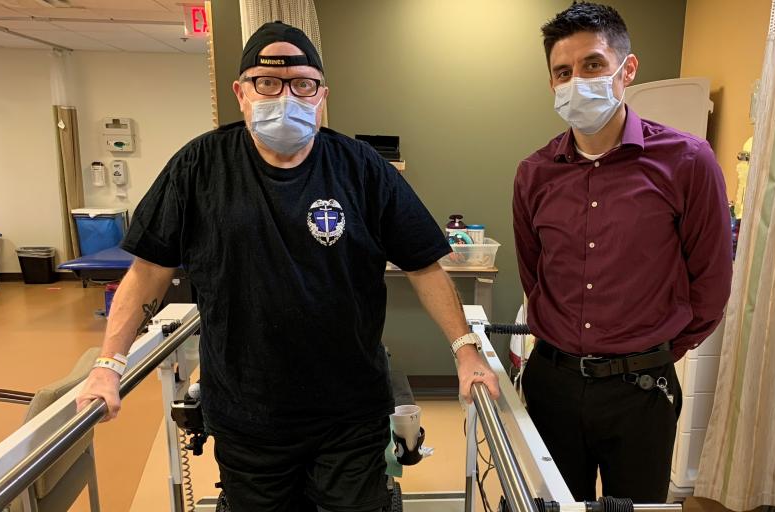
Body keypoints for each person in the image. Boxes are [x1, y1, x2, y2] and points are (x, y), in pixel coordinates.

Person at [75, 21, 499, 512]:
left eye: (302, 84)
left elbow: (425, 267)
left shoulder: (361, 167)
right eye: (267, 83)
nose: (285, 96)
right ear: (240, 92)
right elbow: (149, 270)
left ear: (321, 95)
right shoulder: (200, 166)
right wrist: (109, 365)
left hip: (349, 412)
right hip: (247, 414)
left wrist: (466, 352)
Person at [513, 2, 733, 503]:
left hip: (641, 391)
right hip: (554, 383)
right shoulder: (535, 173)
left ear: (626, 68)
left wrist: (655, 353)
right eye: (562, 72)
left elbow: (712, 286)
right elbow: (536, 275)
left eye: (592, 64)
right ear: (551, 83)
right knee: (553, 504)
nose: (577, 81)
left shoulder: (687, 162)